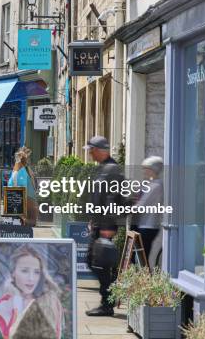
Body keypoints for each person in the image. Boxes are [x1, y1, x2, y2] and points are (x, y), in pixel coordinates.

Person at [83, 136, 125, 317]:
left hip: (105, 227)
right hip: (99, 224)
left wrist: (107, 225)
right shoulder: (103, 168)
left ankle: (107, 302)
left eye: (92, 150)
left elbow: (112, 198)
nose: (90, 154)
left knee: (99, 265)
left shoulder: (112, 169)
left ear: (101, 150)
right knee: (96, 264)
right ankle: (108, 297)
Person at [0, 245, 64, 338]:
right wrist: (17, 299)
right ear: (13, 272)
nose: (31, 278)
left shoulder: (50, 301)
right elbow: (11, 335)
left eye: (36, 272)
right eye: (25, 271)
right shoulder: (1, 305)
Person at [132, 156, 163, 259]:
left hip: (148, 226)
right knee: (140, 256)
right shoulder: (150, 183)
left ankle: (143, 275)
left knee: (141, 257)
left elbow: (141, 205)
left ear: (153, 170)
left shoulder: (156, 186)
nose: (144, 171)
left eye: (146, 168)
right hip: (144, 225)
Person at [7, 147, 38, 226]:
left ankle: (22, 221)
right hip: (27, 196)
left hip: (17, 195)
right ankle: (23, 221)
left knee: (23, 219)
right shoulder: (27, 172)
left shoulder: (17, 172)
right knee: (32, 220)